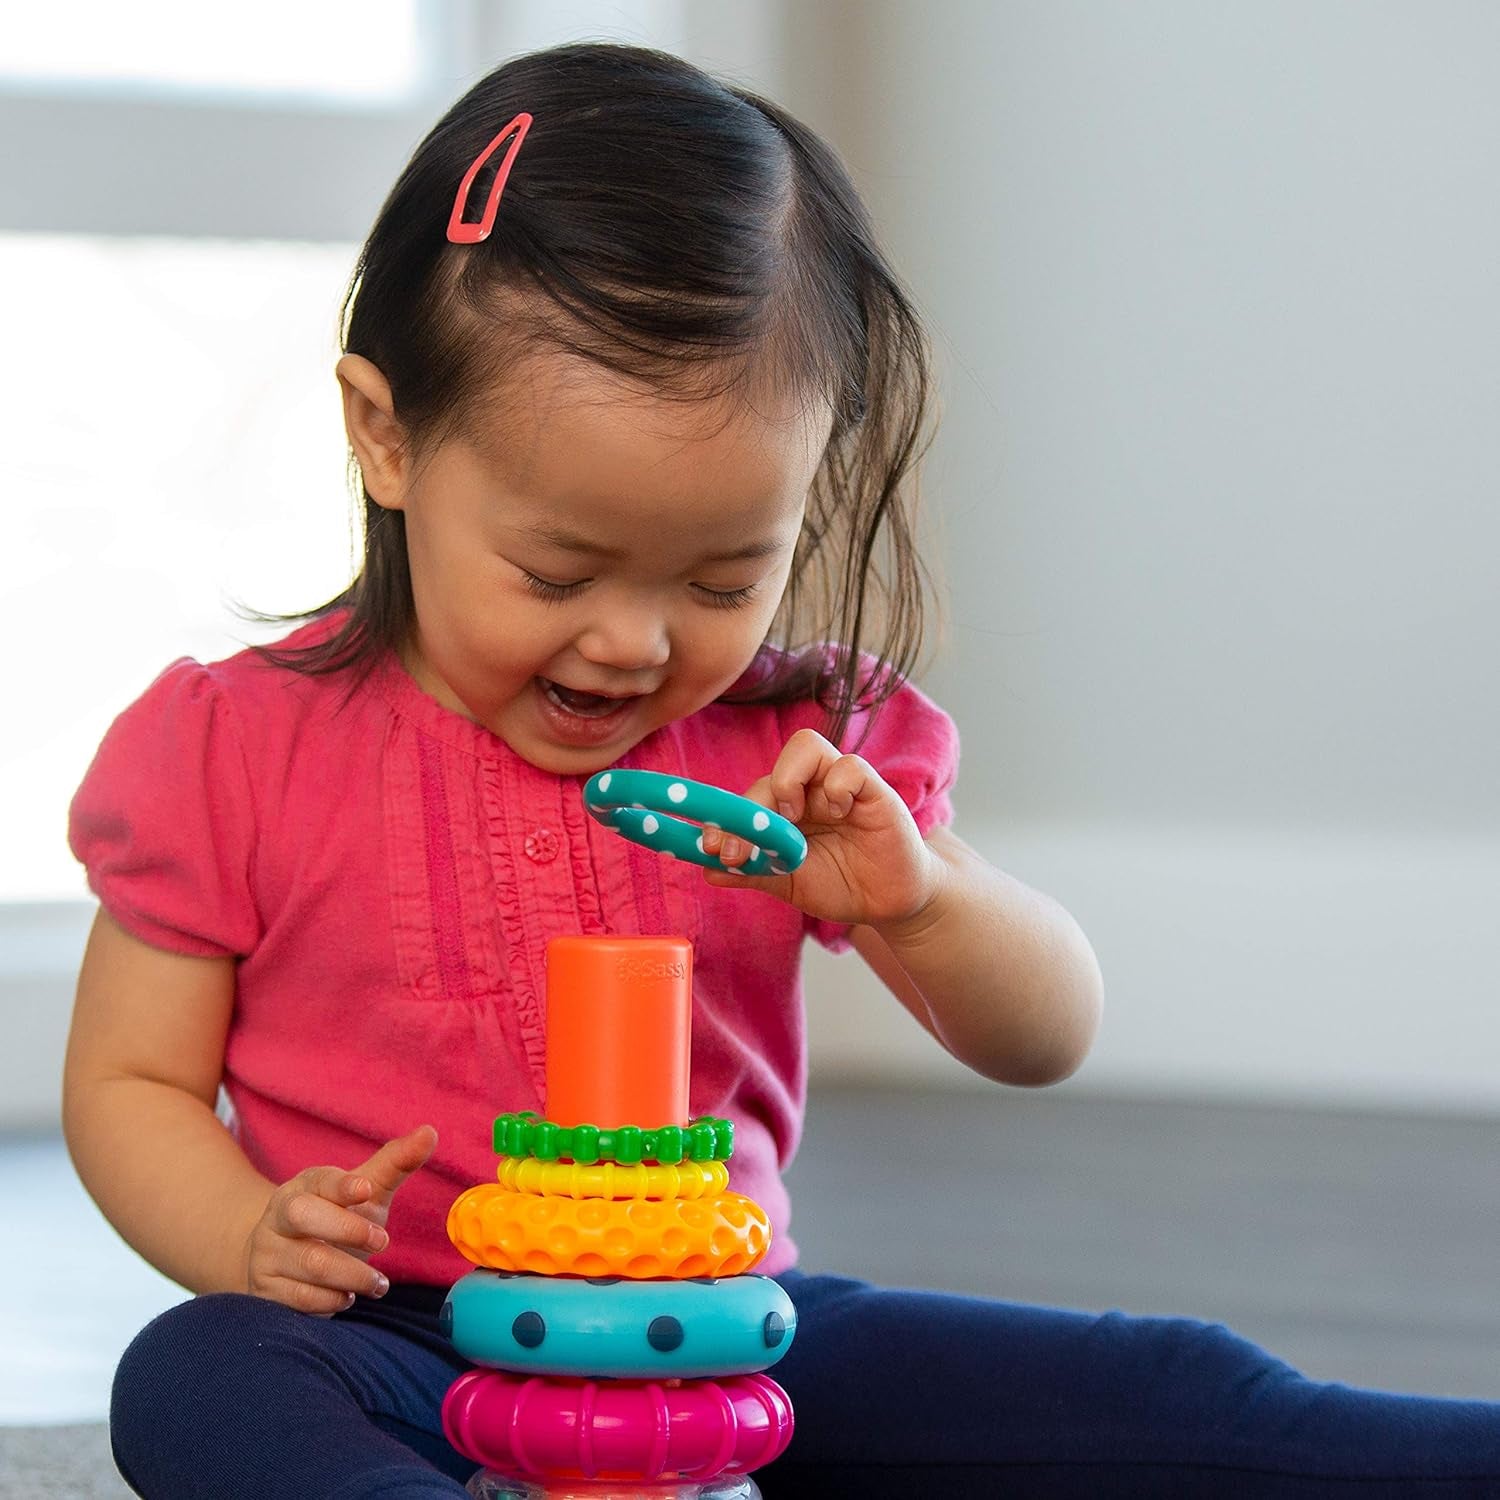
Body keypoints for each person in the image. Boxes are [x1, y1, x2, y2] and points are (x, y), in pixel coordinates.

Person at [62, 40, 1499, 1500]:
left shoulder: (797, 751)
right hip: (396, 1342)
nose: (632, 642)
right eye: (558, 567)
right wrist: (247, 1235)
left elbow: (1046, 1032)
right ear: (387, 435)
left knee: (1163, 1383)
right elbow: (130, 1081)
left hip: (722, 1338)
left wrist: (920, 898)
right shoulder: (232, 747)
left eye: (721, 576)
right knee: (196, 1376)